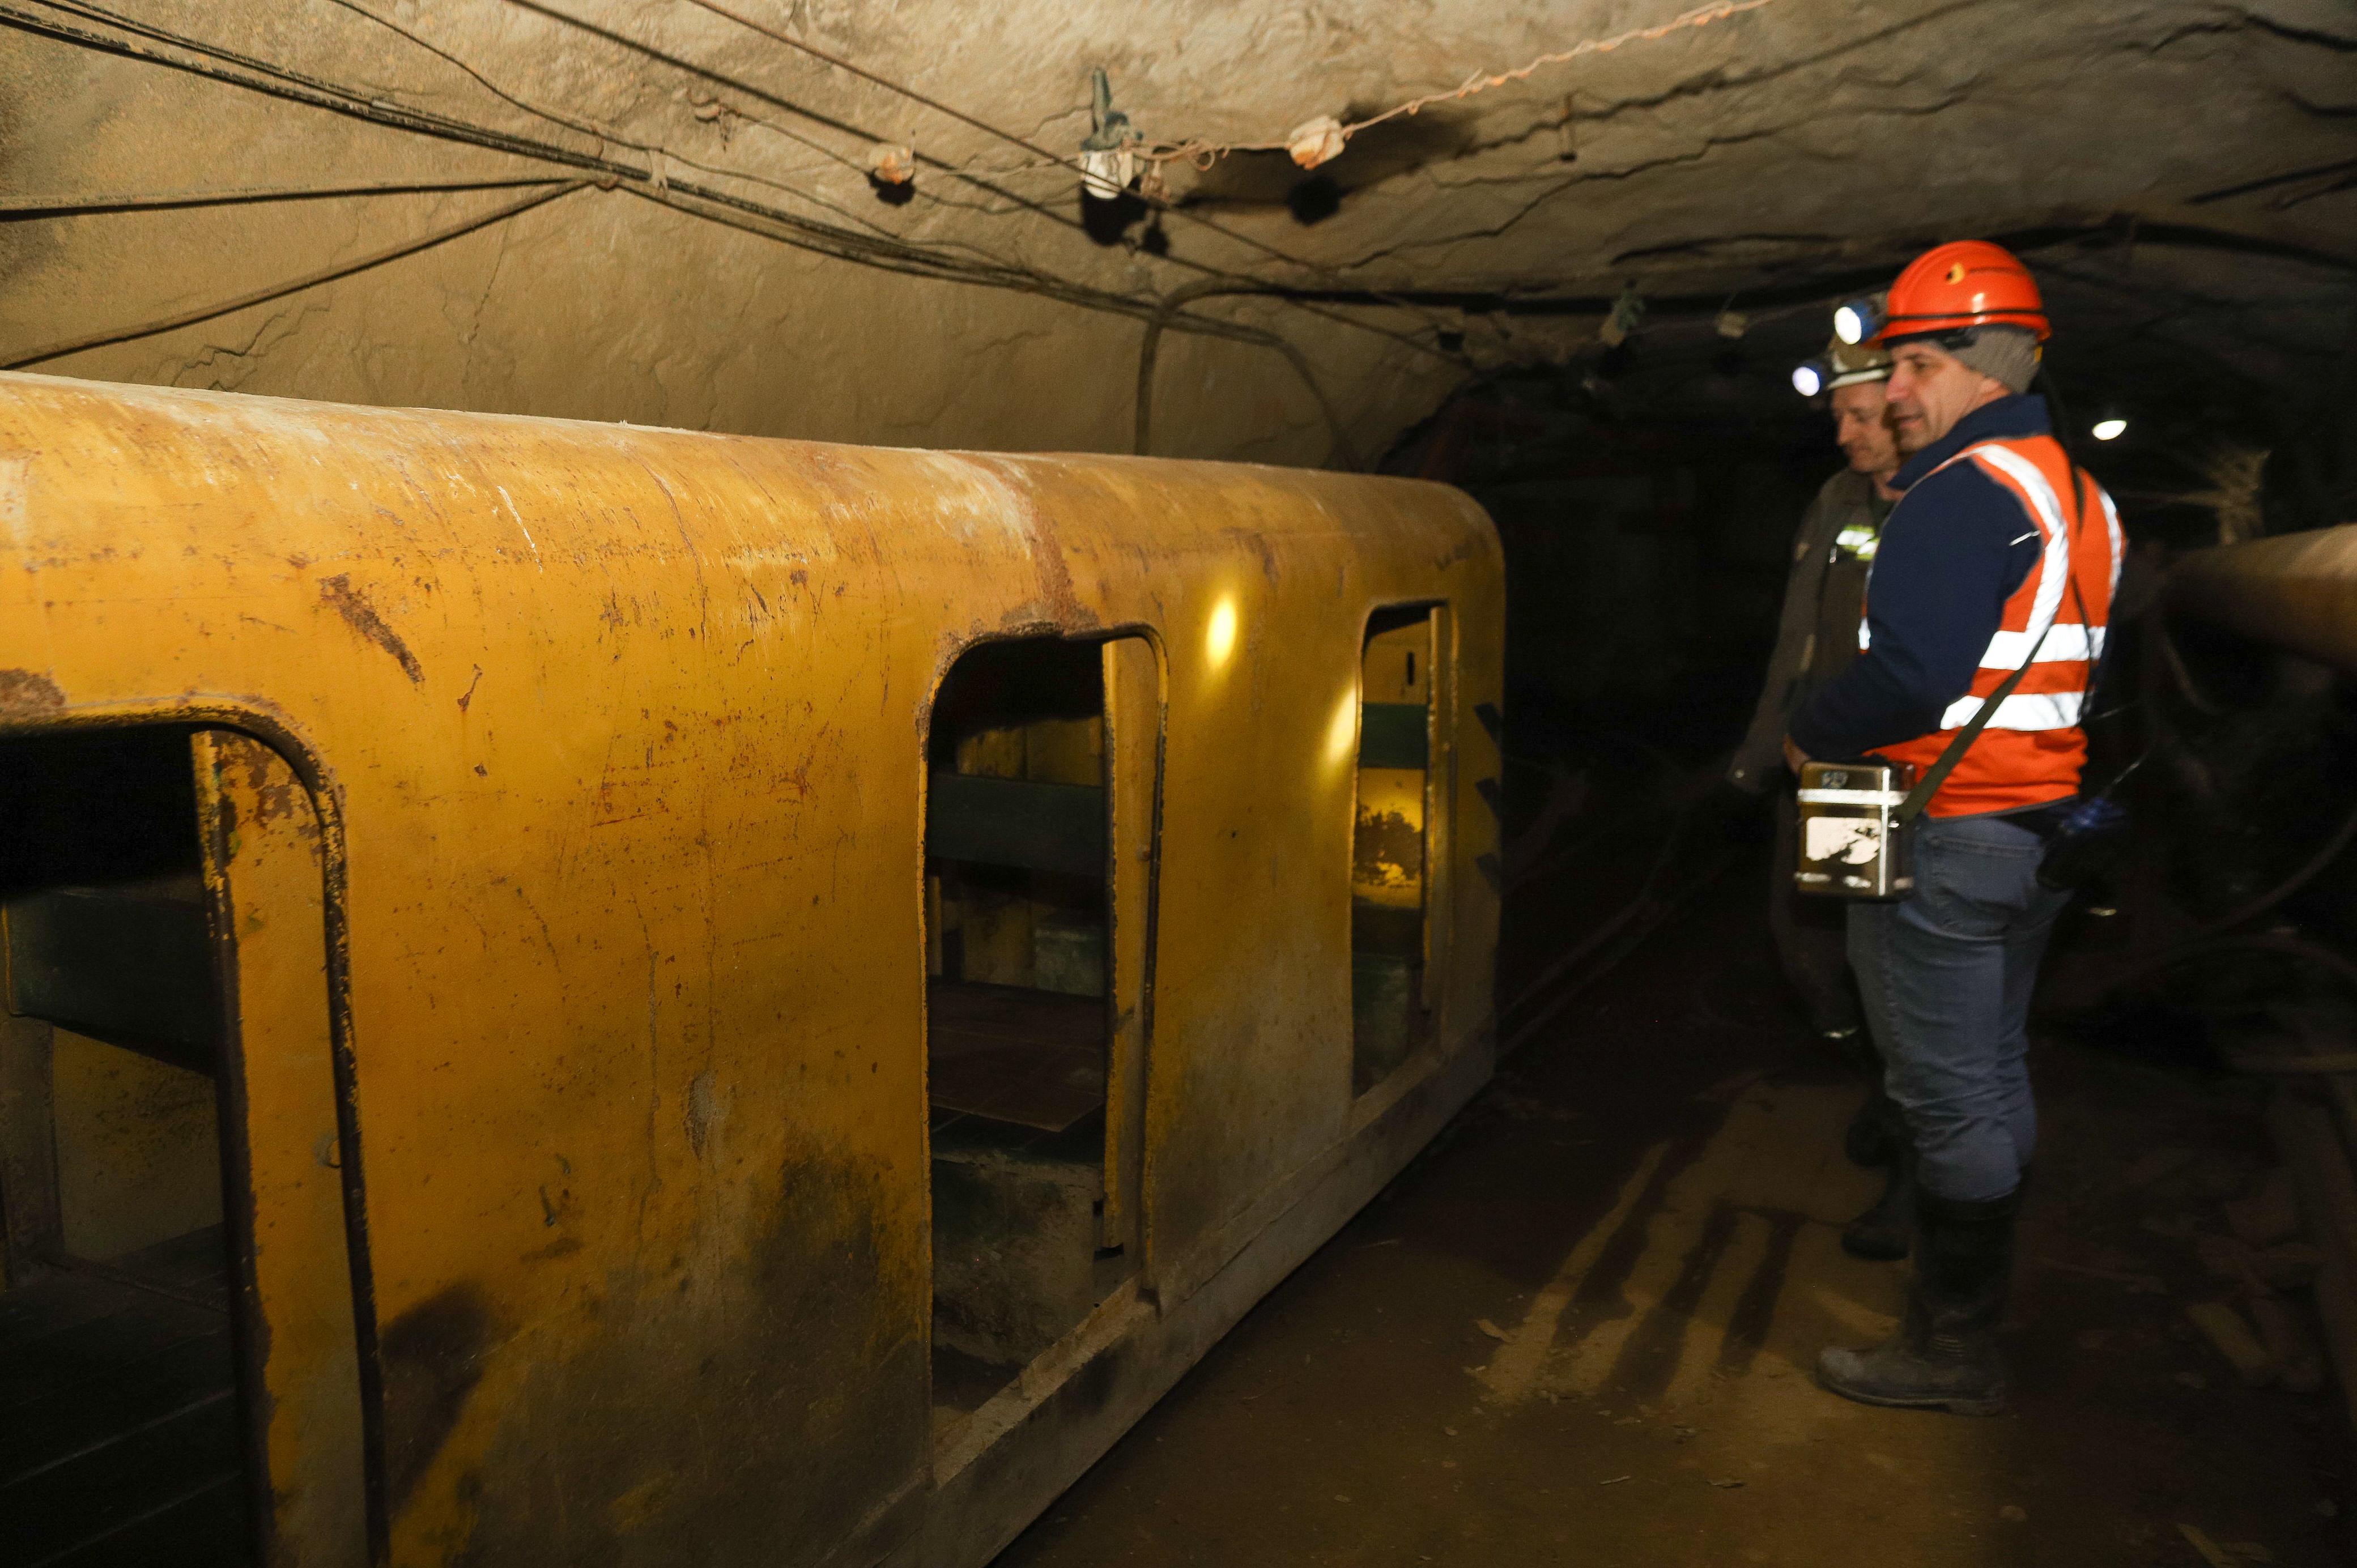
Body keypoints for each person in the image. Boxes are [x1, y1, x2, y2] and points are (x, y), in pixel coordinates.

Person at [1784, 240, 2121, 1415]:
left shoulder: (1959, 494)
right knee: (1992, 1072)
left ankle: (1952, 1350)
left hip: (1950, 832)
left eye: (1918, 365)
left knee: (1944, 1097)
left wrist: (1809, 724)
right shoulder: (2079, 495)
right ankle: (1967, 1319)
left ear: (1989, 366)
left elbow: (1913, 679)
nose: (1894, 392)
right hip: (2037, 828)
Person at [1726, 334, 1915, 1263]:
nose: (1844, 432)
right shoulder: (1839, 499)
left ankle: (1917, 1172)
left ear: (1909, 407)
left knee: (1909, 983)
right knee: (1811, 949)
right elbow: (1797, 636)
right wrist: (1762, 753)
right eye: (1838, 415)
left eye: (1861, 414)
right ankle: (1882, 1081)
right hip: (1830, 774)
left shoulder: (1954, 503)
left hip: (1916, 783)